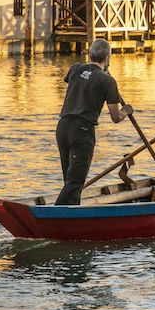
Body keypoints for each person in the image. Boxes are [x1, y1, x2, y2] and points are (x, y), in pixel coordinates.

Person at [55, 38, 132, 205]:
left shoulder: (75, 69)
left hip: (62, 127)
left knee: (69, 180)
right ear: (108, 57)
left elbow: (75, 79)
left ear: (90, 54)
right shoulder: (108, 81)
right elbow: (116, 117)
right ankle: (59, 216)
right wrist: (126, 110)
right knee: (75, 182)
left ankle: (69, 212)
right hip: (82, 131)